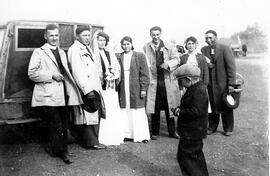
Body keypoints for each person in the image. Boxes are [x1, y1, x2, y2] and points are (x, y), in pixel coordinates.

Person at [28, 24, 82, 164]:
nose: (54, 38)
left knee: (63, 123)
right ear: (45, 36)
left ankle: (58, 149)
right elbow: (32, 73)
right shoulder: (39, 52)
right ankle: (62, 152)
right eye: (51, 35)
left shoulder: (62, 52)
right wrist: (51, 75)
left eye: (56, 35)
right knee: (55, 124)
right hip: (48, 94)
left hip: (62, 94)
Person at [67, 25, 106, 149]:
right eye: (84, 35)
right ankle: (91, 143)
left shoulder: (86, 48)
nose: (87, 38)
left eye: (89, 35)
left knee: (93, 113)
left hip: (93, 86)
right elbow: (77, 72)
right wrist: (87, 90)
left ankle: (91, 141)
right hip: (86, 87)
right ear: (77, 36)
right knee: (88, 114)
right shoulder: (75, 49)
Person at [143, 26, 180, 140]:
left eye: (157, 34)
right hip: (154, 81)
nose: (155, 37)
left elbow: (177, 60)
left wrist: (168, 64)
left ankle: (172, 131)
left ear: (161, 34)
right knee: (155, 106)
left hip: (166, 80)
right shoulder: (146, 47)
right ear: (150, 35)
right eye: (153, 35)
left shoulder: (169, 46)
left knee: (170, 106)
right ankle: (154, 131)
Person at [172, 64, 209, 176]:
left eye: (181, 80)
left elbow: (195, 111)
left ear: (188, 79)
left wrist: (179, 112)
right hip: (193, 131)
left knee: (187, 159)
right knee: (194, 158)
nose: (180, 83)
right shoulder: (196, 88)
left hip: (192, 132)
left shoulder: (198, 91)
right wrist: (181, 108)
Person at [201, 30, 236, 136]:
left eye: (211, 37)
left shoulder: (225, 49)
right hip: (209, 84)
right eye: (206, 38)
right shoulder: (203, 50)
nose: (208, 40)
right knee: (211, 106)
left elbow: (231, 67)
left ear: (216, 37)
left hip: (223, 84)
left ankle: (228, 128)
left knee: (226, 105)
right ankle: (212, 127)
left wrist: (231, 84)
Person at [116, 36, 150, 143]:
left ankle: (141, 135)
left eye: (128, 44)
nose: (126, 46)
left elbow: (144, 74)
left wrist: (143, 89)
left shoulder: (139, 56)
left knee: (137, 110)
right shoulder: (119, 56)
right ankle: (127, 134)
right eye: (124, 44)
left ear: (131, 44)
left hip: (136, 86)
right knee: (125, 109)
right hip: (123, 85)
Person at [93, 31, 124, 145]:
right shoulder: (93, 53)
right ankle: (103, 136)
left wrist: (113, 75)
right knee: (103, 107)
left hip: (110, 85)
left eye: (103, 40)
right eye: (99, 40)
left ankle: (114, 133)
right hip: (101, 85)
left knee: (112, 107)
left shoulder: (108, 52)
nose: (101, 42)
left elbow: (116, 67)